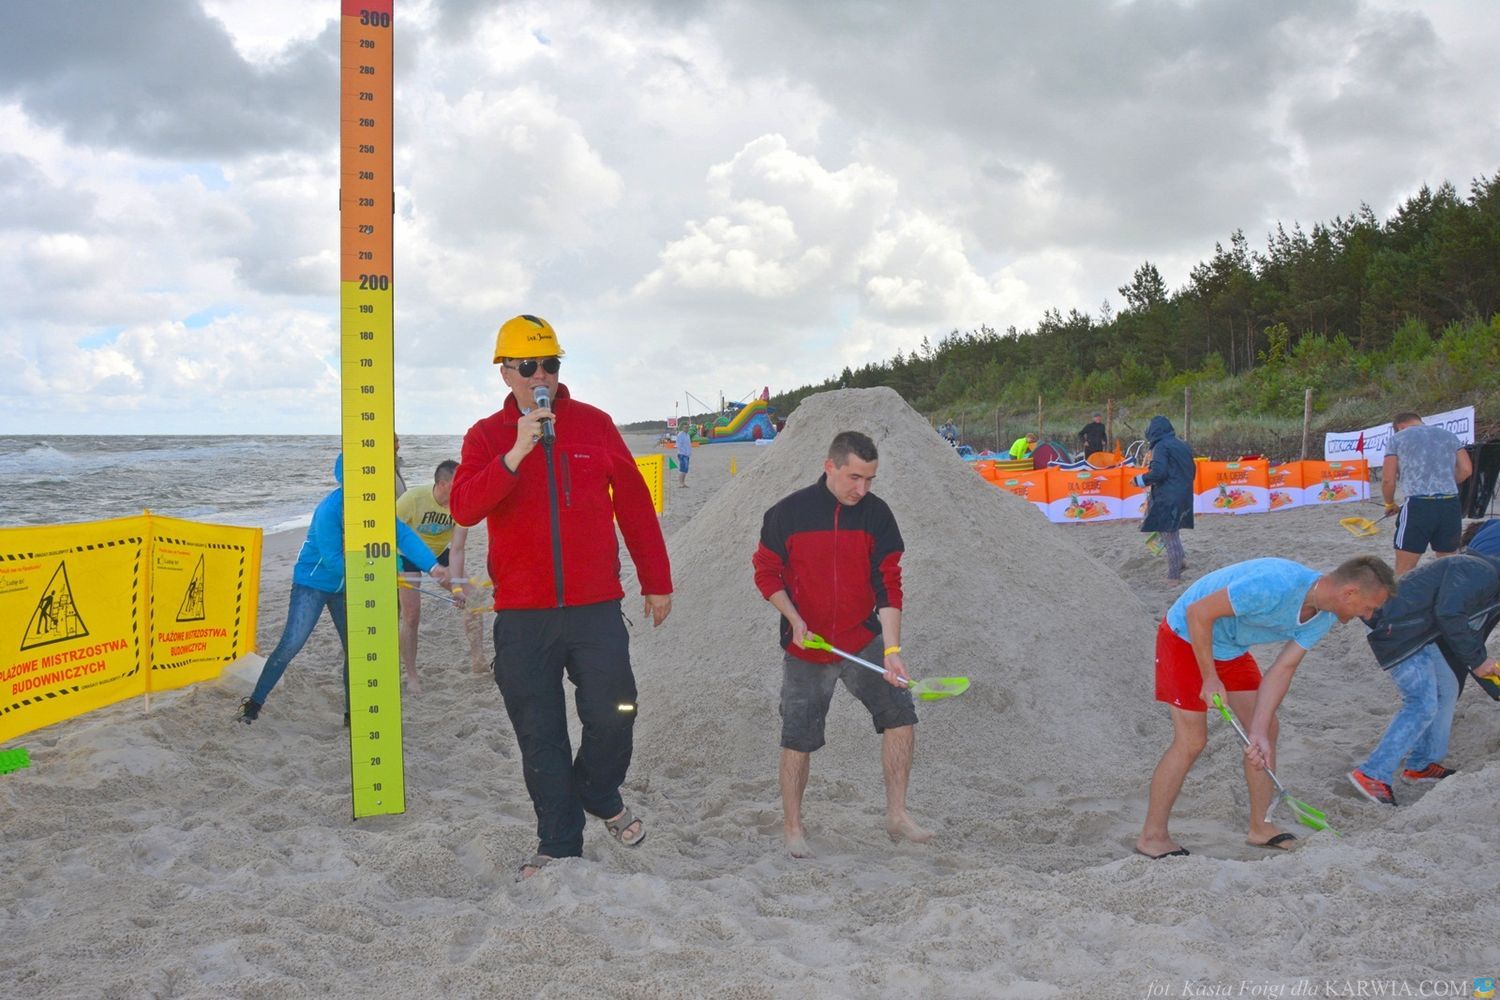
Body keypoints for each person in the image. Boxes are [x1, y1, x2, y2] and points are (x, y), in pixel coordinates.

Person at [449, 314, 673, 879]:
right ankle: (559, 842)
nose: (540, 375)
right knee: (539, 733)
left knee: (617, 709)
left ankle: (598, 789)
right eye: (528, 366)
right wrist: (514, 454)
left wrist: (657, 580)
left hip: (595, 606)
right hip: (523, 615)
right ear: (505, 373)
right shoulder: (485, 436)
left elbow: (635, 506)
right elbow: (465, 508)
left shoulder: (595, 424)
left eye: (550, 363)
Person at [1135, 555, 1395, 859]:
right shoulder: (1276, 583)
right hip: (1185, 636)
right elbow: (1198, 613)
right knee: (1192, 741)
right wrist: (1210, 678)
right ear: (1350, 592)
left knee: (1267, 729)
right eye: (1369, 607)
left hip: (1229, 648)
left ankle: (1261, 827)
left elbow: (1284, 668)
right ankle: (1152, 836)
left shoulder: (1325, 616)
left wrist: (1257, 731)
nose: (1368, 615)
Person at [752, 430, 931, 859]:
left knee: (901, 717)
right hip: (807, 647)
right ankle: (793, 828)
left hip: (861, 638)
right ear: (829, 466)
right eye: (854, 477)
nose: (862, 489)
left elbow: (889, 585)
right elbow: (766, 573)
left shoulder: (877, 515)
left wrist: (892, 650)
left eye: (869, 479)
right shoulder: (787, 513)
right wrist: (793, 618)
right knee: (798, 738)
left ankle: (897, 815)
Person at [238, 454, 450, 726]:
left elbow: (403, 535)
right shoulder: (330, 509)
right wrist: (380, 574)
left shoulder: (374, 506)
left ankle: (352, 714)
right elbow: (333, 560)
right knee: (291, 645)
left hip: (347, 587)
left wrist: (432, 567)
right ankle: (254, 704)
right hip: (312, 584)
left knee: (355, 650)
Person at [1347, 552, 1500, 805]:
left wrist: (1483, 668)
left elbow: (1467, 633)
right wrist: (1478, 661)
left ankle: (1421, 765)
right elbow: (1449, 614)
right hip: (1396, 626)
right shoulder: (1479, 571)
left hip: (1424, 632)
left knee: (1447, 690)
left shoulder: (1492, 585)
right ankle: (1372, 773)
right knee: (1422, 702)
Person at [396, 460, 486, 688]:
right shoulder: (412, 499)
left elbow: (457, 549)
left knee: (472, 599)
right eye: (458, 481)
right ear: (443, 484)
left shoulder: (461, 504)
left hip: (439, 553)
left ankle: (478, 660)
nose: (464, 485)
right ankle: (412, 676)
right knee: (411, 615)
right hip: (406, 556)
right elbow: (387, 532)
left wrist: (456, 587)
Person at [1383, 412, 1472, 575]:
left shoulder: (1397, 439)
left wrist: (1389, 503)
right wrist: (1445, 482)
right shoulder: (1449, 435)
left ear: (1400, 427)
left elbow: (1388, 480)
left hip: (1418, 504)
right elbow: (1466, 470)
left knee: (1404, 569)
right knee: (1447, 564)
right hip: (1450, 504)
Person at [1133, 416, 1195, 582]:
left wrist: (1140, 480)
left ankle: (1173, 577)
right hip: (1184, 494)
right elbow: (1192, 469)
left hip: (1167, 497)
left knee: (1168, 534)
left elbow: (1158, 472)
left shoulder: (1161, 446)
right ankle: (1182, 561)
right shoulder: (1182, 444)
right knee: (1172, 531)